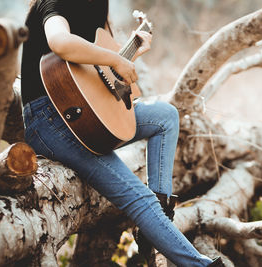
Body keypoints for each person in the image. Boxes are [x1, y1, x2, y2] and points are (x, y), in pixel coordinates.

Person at [21, 0, 224, 266]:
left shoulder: (97, 5)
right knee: (138, 197)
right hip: (50, 120)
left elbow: (98, 72)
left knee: (166, 116)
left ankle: (158, 221)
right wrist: (116, 57)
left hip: (86, 114)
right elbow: (60, 42)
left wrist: (131, 51)